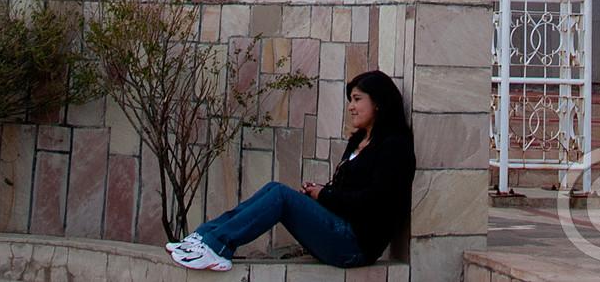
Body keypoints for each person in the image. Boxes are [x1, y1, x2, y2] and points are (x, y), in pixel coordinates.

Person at [168, 69, 415, 271]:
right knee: (275, 189)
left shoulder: (394, 147)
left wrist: (325, 195)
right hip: (338, 229)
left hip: (354, 246)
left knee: (281, 197)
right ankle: (205, 236)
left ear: (379, 103)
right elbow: (347, 191)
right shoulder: (358, 141)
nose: (351, 106)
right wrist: (318, 192)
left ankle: (217, 246)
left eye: (358, 99)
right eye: (350, 99)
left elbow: (374, 202)